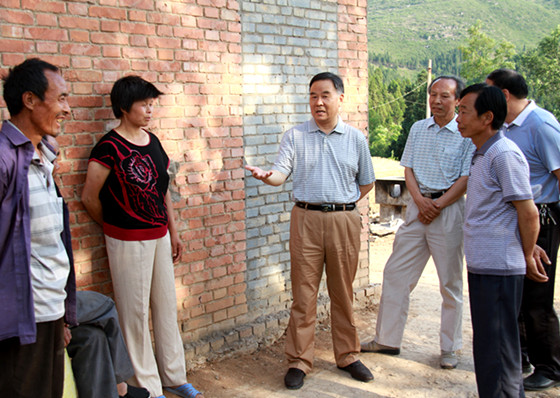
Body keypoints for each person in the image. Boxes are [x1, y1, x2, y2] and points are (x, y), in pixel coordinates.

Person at [245, 72, 376, 390]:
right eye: (313, 95)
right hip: (305, 220)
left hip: (344, 220)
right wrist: (267, 176)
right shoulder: (296, 136)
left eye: (325, 95)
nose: (318, 102)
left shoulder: (355, 138)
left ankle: (347, 355)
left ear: (340, 98)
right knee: (304, 295)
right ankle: (299, 360)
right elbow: (280, 173)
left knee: (343, 292)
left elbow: (367, 181)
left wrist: (342, 205)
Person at [81, 76, 203, 398]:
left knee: (165, 307)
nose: (150, 110)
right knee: (133, 315)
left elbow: (164, 192)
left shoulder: (153, 142)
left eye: (152, 104)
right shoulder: (108, 148)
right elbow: (90, 197)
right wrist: (115, 226)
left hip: (159, 236)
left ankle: (174, 376)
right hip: (126, 241)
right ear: (124, 106)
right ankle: (146, 387)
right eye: (144, 104)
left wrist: (173, 233)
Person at [360, 76, 474, 369]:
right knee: (396, 273)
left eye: (445, 96)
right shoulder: (418, 128)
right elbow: (407, 167)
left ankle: (450, 348)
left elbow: (465, 178)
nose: (437, 100)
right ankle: (387, 339)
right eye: (433, 94)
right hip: (416, 207)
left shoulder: (465, 132)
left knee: (450, 283)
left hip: (447, 211)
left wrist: (437, 204)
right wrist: (420, 201)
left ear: (457, 100)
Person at [457, 82, 547, 397]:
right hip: (484, 265)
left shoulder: (504, 154)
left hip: (498, 268)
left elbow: (528, 213)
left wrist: (526, 253)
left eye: (464, 111)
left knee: (499, 352)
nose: (458, 117)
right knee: (488, 348)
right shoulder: (482, 152)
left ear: (487, 117)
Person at [0, 58, 77, 397]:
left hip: (49, 310)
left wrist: (61, 314)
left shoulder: (44, 155)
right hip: (20, 317)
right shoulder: (4, 159)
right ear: (30, 100)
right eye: (60, 98)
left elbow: (49, 244)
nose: (68, 109)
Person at [486, 69, 560, 392]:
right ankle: (524, 356)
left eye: (489, 93)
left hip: (540, 217)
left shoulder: (541, 125)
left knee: (537, 295)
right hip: (512, 219)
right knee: (515, 292)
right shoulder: (504, 127)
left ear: (503, 95)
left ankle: (550, 366)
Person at [67, 291, 150, 398]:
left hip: (50, 302)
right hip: (45, 307)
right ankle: (119, 385)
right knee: (105, 305)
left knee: (93, 336)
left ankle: (117, 388)